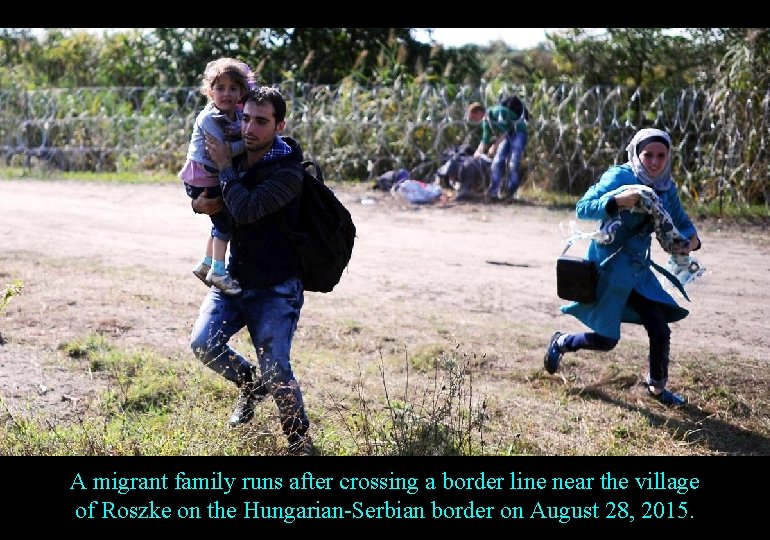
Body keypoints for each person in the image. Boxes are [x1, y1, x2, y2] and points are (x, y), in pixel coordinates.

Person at [189, 87, 313, 455]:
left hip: (277, 287)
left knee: (276, 368)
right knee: (203, 344)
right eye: (245, 118)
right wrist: (201, 203)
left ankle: (298, 440)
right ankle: (248, 385)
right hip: (235, 279)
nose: (250, 128)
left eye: (261, 121)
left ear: (279, 125)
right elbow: (225, 214)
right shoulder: (238, 160)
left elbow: (246, 209)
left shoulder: (290, 172)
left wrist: (225, 168)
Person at [544, 128, 702, 406]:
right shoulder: (620, 177)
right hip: (608, 269)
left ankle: (657, 387)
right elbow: (583, 207)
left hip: (639, 271)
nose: (654, 162)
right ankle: (562, 341)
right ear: (636, 154)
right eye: (648, 155)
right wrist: (617, 201)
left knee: (659, 327)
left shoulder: (666, 187)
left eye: (661, 155)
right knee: (606, 340)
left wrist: (692, 241)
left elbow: (682, 222)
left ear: (668, 157)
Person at [180, 57, 254, 295]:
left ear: (242, 91)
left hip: (211, 175)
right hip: (202, 176)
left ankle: (206, 264)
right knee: (224, 222)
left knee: (218, 222)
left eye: (233, 88)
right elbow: (219, 153)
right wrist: (248, 143)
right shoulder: (209, 118)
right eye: (220, 88)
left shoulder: (236, 113)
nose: (227, 94)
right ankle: (218, 272)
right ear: (210, 92)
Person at [474, 94, 529, 201]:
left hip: (519, 132)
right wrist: (478, 152)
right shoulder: (486, 121)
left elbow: (505, 132)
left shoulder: (498, 111)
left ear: (479, 112)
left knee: (514, 161)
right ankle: (493, 192)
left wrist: (495, 146)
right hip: (508, 134)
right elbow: (485, 139)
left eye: (473, 117)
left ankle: (511, 193)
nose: (474, 120)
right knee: (497, 161)